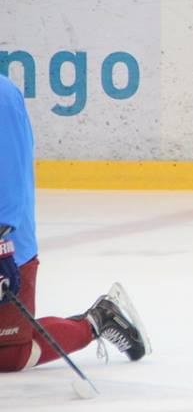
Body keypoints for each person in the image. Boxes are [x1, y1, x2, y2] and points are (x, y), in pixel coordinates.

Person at [0, 74, 151, 373]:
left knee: (8, 354)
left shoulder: (1, 96)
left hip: (10, 246)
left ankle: (98, 320)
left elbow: (10, 173)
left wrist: (2, 241)